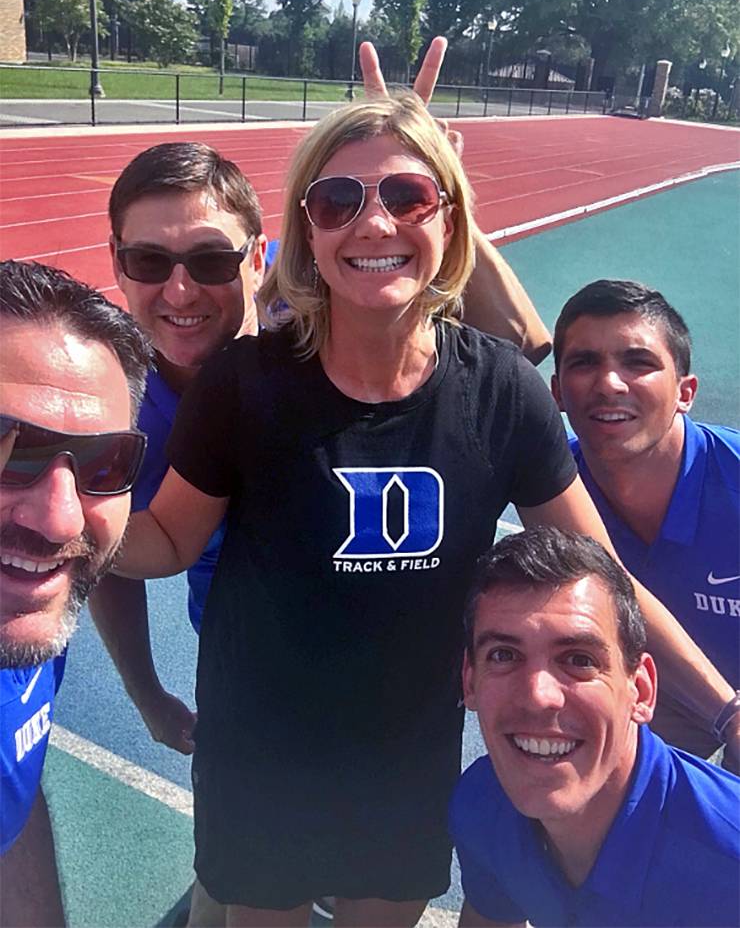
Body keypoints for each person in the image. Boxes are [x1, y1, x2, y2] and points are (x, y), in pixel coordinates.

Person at [111, 92, 739, 927]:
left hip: (407, 761)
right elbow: (164, 540)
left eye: (407, 197)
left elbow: (606, 576)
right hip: (259, 756)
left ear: (450, 223)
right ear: (307, 231)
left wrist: (729, 708)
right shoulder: (245, 383)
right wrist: (46, 498)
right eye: (339, 201)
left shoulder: (502, 390)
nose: (373, 225)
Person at [451, 525, 740, 927]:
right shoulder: (484, 805)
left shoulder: (729, 860)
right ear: (470, 682)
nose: (538, 695)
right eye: (503, 655)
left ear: (640, 690)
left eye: (580, 660)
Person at [0, 259, 150, 927]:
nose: (60, 519)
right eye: (7, 447)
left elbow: (13, 791)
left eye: (104, 463)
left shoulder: (30, 614)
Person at [551, 279, 740, 764]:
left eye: (638, 363)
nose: (609, 383)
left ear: (686, 392)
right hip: (648, 712)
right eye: (585, 362)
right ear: (557, 392)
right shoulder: (550, 500)